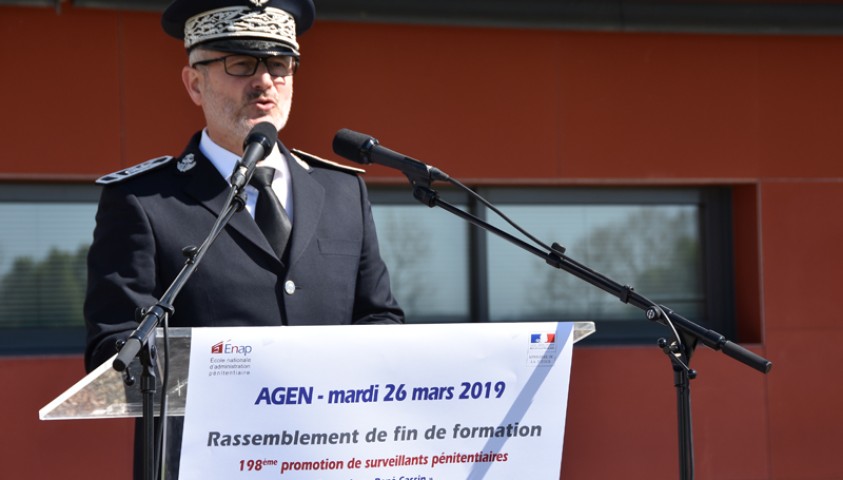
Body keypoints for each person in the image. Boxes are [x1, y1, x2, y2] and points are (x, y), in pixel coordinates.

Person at [83, 0, 404, 477]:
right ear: (195, 82)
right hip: (209, 462)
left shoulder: (343, 192)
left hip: (329, 458)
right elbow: (113, 350)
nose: (265, 81)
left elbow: (380, 318)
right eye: (240, 64)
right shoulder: (145, 200)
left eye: (279, 64)